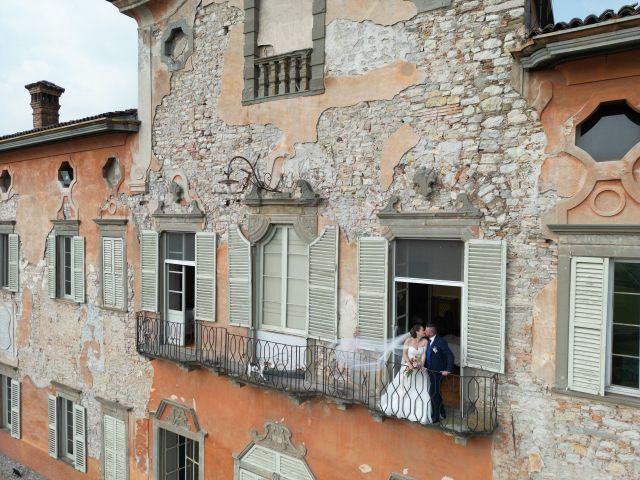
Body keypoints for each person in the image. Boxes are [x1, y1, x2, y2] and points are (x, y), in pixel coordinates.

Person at [380, 324, 432, 424]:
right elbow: (405, 353)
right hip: (407, 367)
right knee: (403, 388)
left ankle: (419, 414)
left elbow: (424, 354)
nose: (424, 331)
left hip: (419, 370)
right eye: (422, 330)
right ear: (417, 331)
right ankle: (398, 408)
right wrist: (409, 364)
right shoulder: (408, 340)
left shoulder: (425, 341)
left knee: (420, 391)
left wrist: (421, 365)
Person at [424, 324, 454, 423]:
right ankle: (442, 411)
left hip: (438, 372)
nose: (424, 331)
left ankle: (436, 417)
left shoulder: (440, 341)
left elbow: (450, 355)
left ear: (431, 332)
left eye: (426, 330)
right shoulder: (428, 341)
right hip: (430, 371)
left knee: (433, 393)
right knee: (436, 392)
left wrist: (448, 369)